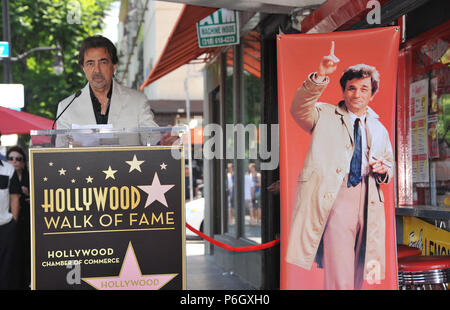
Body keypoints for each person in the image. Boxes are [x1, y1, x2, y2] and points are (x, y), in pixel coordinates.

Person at [285, 41, 393, 290]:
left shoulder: (379, 128)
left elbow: (387, 162)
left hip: (369, 201)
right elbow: (299, 109)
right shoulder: (324, 114)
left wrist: (384, 170)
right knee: (339, 272)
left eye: (364, 89)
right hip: (336, 196)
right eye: (351, 88)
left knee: (358, 271)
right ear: (343, 91)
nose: (357, 94)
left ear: (372, 93)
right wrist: (321, 75)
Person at [55, 35, 177, 146]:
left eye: (103, 62)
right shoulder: (66, 108)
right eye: (90, 63)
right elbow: (60, 154)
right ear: (83, 68)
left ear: (114, 66)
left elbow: (152, 140)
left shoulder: (137, 101)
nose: (97, 70)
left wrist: (163, 142)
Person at [7, 146, 30, 289]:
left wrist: (29, 194)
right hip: (9, 223)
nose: (14, 162)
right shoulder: (4, 175)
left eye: (18, 159)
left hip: (27, 222)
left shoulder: (30, 176)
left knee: (26, 253)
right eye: (11, 158)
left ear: (23, 162)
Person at [0, 133, 21, 289]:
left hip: (5, 226)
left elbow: (14, 196)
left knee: (5, 269)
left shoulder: (8, 169)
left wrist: (14, 221)